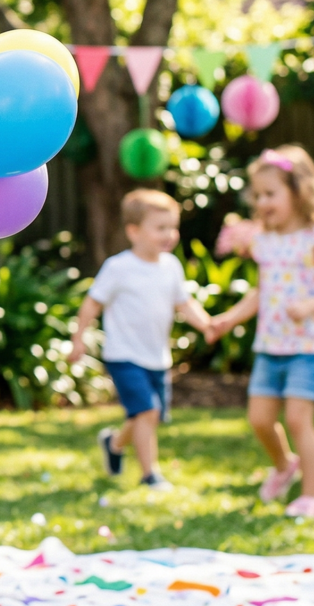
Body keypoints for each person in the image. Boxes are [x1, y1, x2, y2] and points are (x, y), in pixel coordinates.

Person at [208, 145, 314, 518]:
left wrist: (309, 306)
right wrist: (228, 319)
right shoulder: (265, 241)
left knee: (299, 419)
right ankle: (286, 465)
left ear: (298, 191)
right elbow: (261, 292)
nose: (262, 202)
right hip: (271, 345)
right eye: (258, 195)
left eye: (271, 193)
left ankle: (313, 495)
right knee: (260, 419)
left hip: (310, 345)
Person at [67, 189, 213, 491]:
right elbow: (92, 304)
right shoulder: (118, 267)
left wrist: (207, 325)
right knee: (147, 411)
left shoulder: (171, 266)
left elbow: (184, 303)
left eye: (172, 227)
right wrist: (78, 339)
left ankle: (115, 444)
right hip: (123, 355)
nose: (169, 235)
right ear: (133, 231)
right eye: (160, 228)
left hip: (157, 356)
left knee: (146, 415)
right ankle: (150, 475)